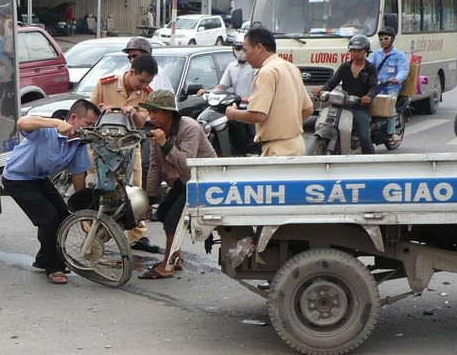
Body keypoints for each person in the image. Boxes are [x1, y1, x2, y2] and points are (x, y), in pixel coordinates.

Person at [2, 99, 100, 285]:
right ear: (73, 118)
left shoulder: (78, 143)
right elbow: (22, 123)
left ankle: (42, 258)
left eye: (93, 126)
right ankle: (52, 267)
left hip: (38, 179)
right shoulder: (47, 131)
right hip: (17, 179)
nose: (90, 129)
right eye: (88, 124)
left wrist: (83, 211)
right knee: (48, 218)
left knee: (63, 215)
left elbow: (78, 176)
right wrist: (56, 123)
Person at [138, 90, 217, 279]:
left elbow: (187, 163)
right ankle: (176, 256)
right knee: (164, 214)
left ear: (168, 112)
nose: (151, 116)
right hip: (184, 181)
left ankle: (168, 265)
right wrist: (150, 198)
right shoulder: (157, 133)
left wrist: (165, 144)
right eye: (150, 112)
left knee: (174, 219)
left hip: (202, 180)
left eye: (155, 112)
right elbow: (155, 167)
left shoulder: (189, 128)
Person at [91, 53, 161, 254]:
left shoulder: (146, 93)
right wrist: (102, 110)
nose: (142, 85)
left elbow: (145, 125)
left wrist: (134, 113)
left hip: (130, 148)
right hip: (102, 148)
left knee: (135, 191)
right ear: (131, 72)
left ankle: (137, 236)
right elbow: (89, 112)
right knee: (99, 189)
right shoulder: (106, 84)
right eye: (141, 80)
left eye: (147, 81)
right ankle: (93, 233)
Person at [225, 27, 313, 156]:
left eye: (246, 50)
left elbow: (258, 115)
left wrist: (233, 114)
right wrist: (287, 126)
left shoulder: (266, 72)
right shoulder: (291, 68)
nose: (244, 55)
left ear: (259, 47)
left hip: (277, 149)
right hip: (296, 144)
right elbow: (308, 109)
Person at [313, 35, 378, 154]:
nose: (356, 53)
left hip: (359, 107)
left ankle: (372, 162)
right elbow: (332, 82)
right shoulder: (344, 67)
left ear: (366, 51)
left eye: (359, 50)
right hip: (342, 104)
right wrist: (322, 90)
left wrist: (368, 96)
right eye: (353, 50)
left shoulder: (370, 68)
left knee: (364, 138)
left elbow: (374, 87)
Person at [369, 26, 410, 140]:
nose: (383, 41)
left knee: (390, 106)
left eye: (386, 38)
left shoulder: (399, 55)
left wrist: (397, 78)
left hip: (392, 87)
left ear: (392, 39)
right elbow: (368, 66)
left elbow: (404, 70)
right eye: (381, 39)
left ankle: (392, 133)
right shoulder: (376, 54)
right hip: (377, 86)